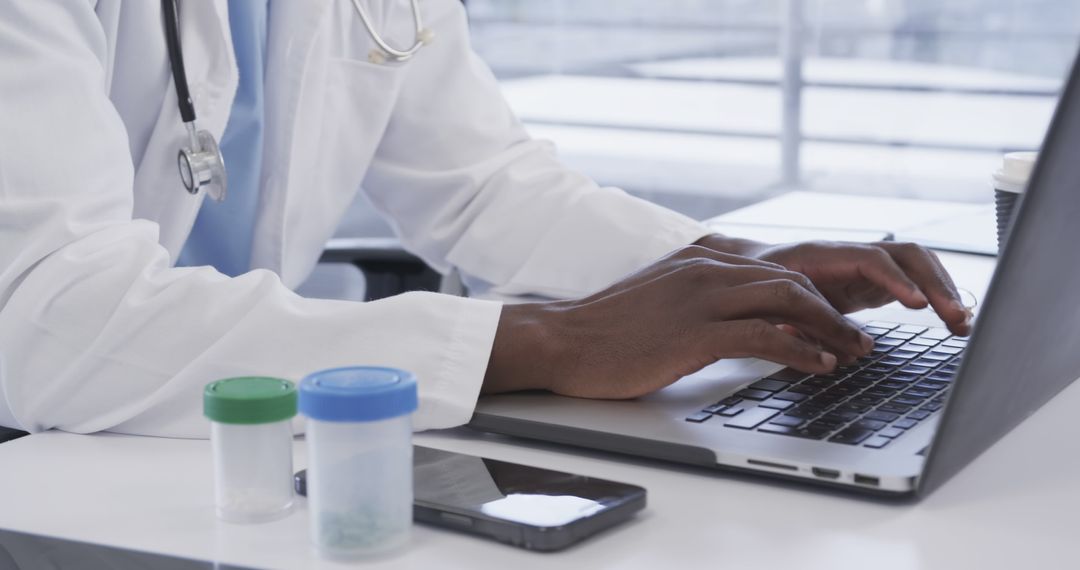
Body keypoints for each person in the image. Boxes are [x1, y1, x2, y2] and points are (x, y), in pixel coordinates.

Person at [0, 1, 969, 438]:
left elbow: (479, 180)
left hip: (217, 434)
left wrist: (730, 268)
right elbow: (51, 317)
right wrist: (550, 340)